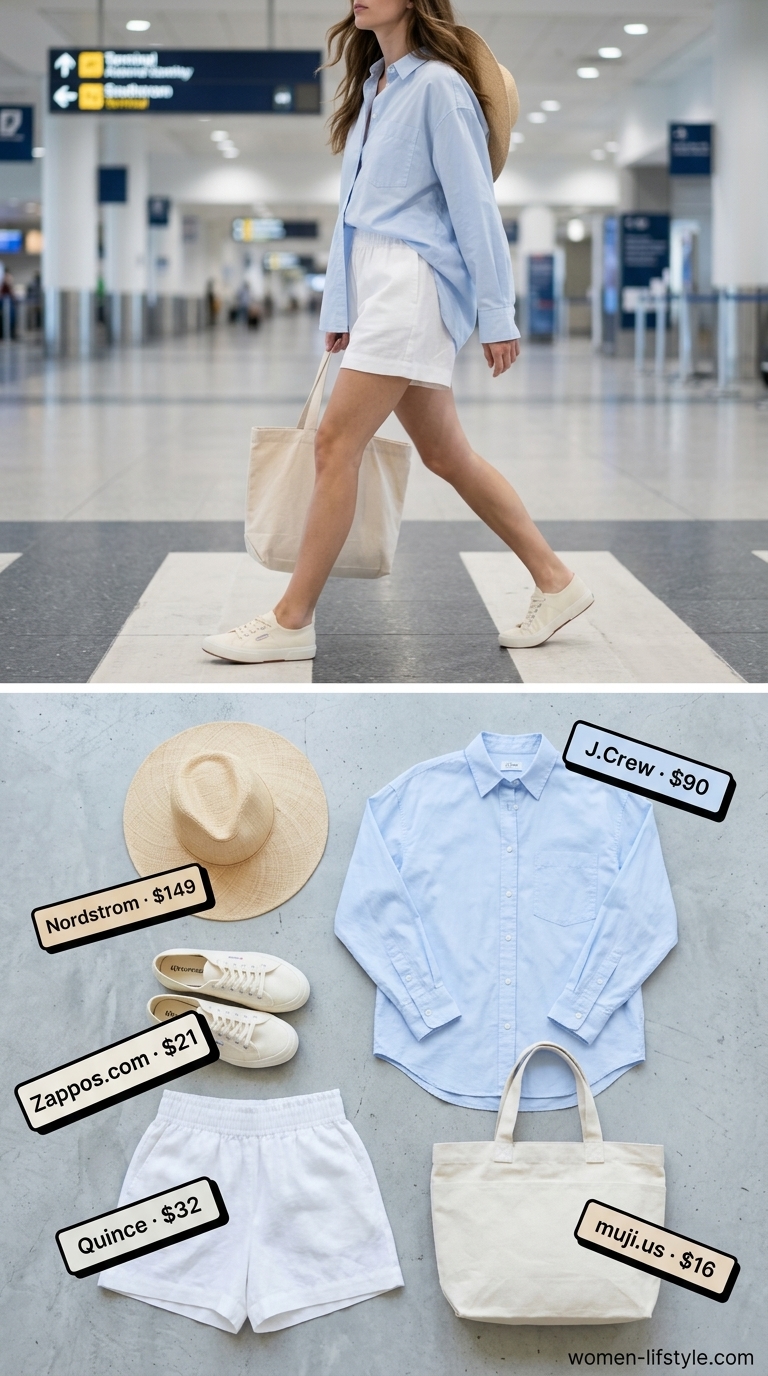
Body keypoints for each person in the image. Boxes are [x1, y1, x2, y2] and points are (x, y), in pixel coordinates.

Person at [202, 0, 594, 666]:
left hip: (411, 281)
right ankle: (555, 580)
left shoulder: (440, 87)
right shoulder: (375, 87)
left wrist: (498, 312)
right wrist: (339, 306)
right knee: (447, 455)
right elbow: (352, 218)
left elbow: (474, 205)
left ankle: (292, 620)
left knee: (335, 442)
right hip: (377, 281)